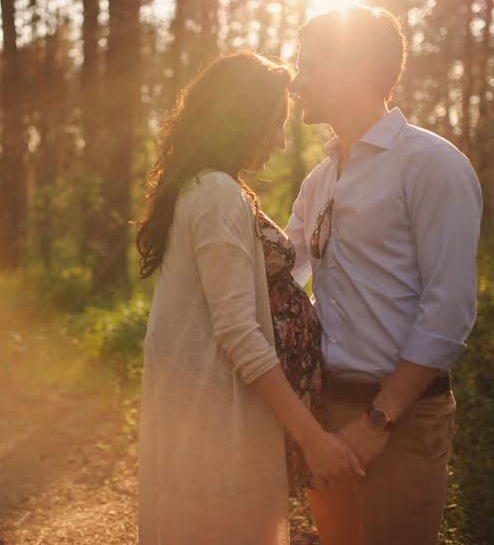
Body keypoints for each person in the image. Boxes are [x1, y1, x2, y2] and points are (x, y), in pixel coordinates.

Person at [135, 51, 363, 544]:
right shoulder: (216, 194)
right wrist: (312, 437)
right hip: (220, 422)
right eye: (274, 124)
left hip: (212, 415)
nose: (280, 140)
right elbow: (239, 331)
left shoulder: (206, 187)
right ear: (241, 119)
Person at [286, 5, 483, 545]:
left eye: (310, 66)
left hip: (403, 419)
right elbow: (284, 273)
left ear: (359, 68)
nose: (297, 82)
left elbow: (448, 310)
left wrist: (379, 421)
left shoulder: (432, 165)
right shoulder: (318, 180)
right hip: (326, 414)